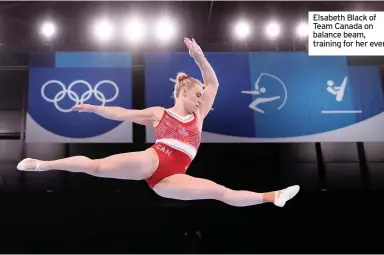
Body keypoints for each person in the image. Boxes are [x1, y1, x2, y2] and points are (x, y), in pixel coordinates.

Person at [17, 37, 300, 207]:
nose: (202, 99)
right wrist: (93, 107)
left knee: (221, 192)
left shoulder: (198, 116)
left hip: (170, 179)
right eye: (197, 94)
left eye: (203, 97)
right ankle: (42, 164)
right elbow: (121, 113)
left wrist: (200, 58)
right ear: (183, 91)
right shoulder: (159, 113)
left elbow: (213, 84)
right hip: (154, 160)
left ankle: (271, 197)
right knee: (96, 166)